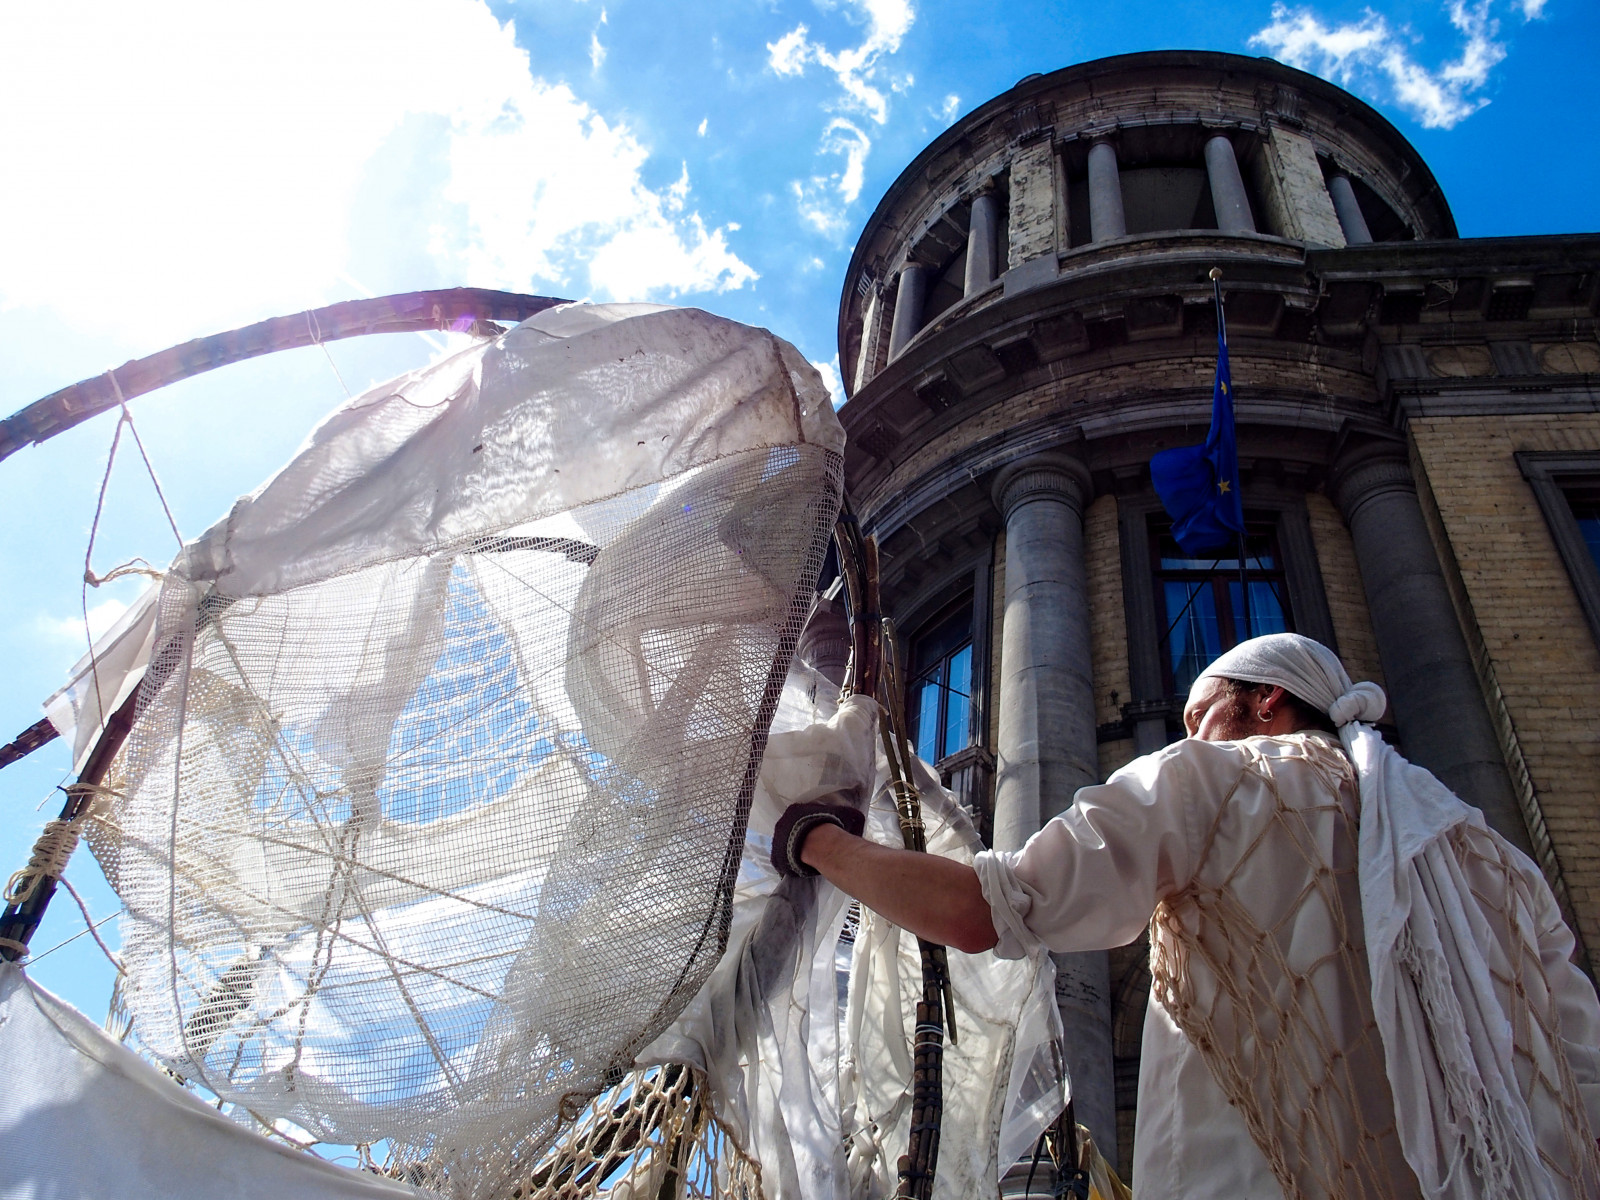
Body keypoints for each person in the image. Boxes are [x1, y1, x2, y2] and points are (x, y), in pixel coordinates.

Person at [771, 633, 1600, 1200]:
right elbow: (1583, 1063)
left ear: (1266, 702)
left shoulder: (1220, 779)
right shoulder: (1480, 857)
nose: (1191, 731)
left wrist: (815, 842)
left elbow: (984, 911)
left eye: (1202, 714)